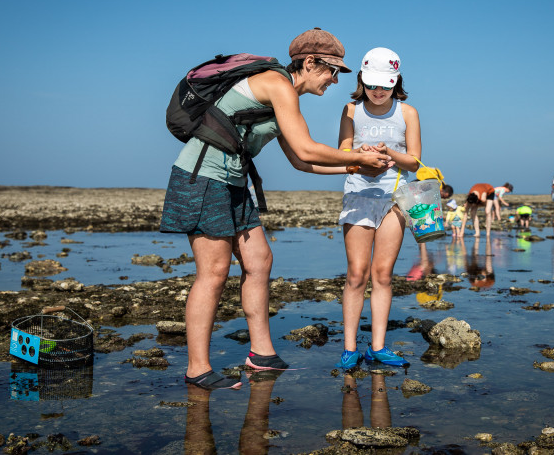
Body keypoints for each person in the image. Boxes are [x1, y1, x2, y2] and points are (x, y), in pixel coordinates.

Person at [160, 28, 391, 389]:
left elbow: (301, 161)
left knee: (259, 261)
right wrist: (357, 156)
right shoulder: (275, 84)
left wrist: (353, 166)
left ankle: (261, 353)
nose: (335, 80)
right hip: (203, 177)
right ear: (310, 62)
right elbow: (308, 149)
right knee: (214, 271)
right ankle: (197, 368)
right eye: (333, 70)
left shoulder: (285, 96)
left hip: (233, 181)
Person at [336, 47, 420, 369]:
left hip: (396, 200)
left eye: (385, 85)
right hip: (358, 197)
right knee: (356, 273)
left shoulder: (408, 113)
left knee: (382, 274)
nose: (378, 91)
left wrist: (389, 153)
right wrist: (361, 154)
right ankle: (348, 348)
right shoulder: (350, 109)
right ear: (362, 79)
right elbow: (342, 152)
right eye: (372, 84)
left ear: (395, 81)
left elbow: (413, 159)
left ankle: (378, 347)